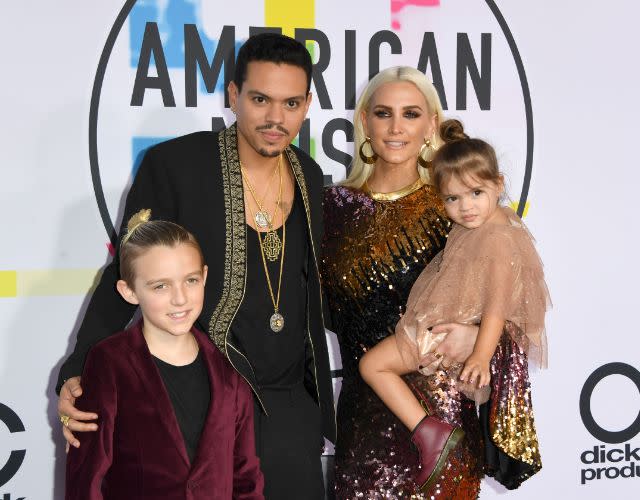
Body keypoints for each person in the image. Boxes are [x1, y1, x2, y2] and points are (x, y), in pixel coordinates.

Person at [57, 33, 335, 499]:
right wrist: (79, 368)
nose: (275, 118)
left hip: (291, 409)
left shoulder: (309, 175)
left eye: (290, 103)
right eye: (260, 100)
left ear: (307, 103)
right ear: (233, 96)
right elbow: (125, 275)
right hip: (207, 400)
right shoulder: (178, 165)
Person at [359, 119, 550, 494]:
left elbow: (497, 305)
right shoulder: (485, 224)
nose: (465, 207)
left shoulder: (497, 238)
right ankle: (430, 432)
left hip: (444, 336)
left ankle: (430, 434)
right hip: (444, 328)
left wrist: (480, 355)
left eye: (476, 193)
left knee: (372, 365)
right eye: (452, 198)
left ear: (498, 184)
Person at [321, 66, 483, 498]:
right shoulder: (330, 208)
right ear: (363, 121)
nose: (396, 128)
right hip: (362, 418)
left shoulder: (455, 206)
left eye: (411, 114)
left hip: (442, 417)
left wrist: (479, 335)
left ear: (431, 123)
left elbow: (506, 293)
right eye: (383, 113)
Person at [65, 211, 264, 499]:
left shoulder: (230, 371)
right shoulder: (108, 363)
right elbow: (87, 480)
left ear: (205, 276)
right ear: (129, 291)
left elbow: (246, 480)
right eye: (161, 286)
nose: (180, 298)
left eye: (191, 281)